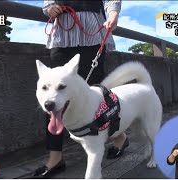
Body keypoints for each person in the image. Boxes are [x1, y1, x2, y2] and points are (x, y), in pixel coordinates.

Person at [32, 0, 123, 178]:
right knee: (52, 94)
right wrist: (50, 9)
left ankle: (119, 136)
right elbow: (48, 4)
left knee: (97, 94)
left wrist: (113, 14)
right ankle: (55, 157)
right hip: (62, 33)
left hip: (92, 31)